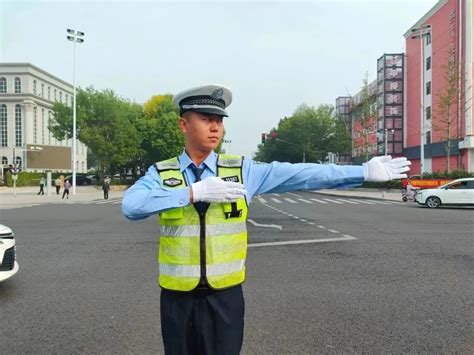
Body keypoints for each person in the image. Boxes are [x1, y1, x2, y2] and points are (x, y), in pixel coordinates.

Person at [121, 84, 411, 355]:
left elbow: (301, 173)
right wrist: (191, 193)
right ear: (184, 124)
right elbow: (131, 206)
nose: (215, 127)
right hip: (176, 300)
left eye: (220, 120)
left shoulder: (243, 170)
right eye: (206, 118)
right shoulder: (162, 173)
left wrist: (361, 173)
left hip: (225, 299)